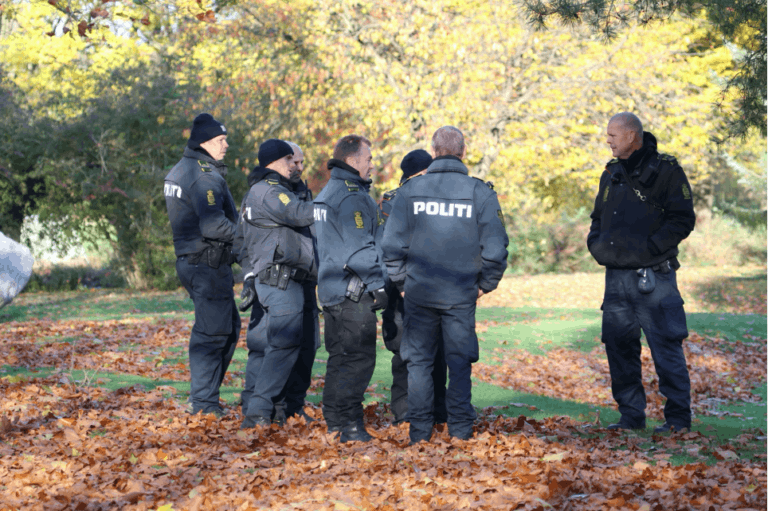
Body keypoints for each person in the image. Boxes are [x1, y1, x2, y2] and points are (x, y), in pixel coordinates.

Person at [381, 126, 509, 444]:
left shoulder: (410, 191)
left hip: (419, 291)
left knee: (420, 364)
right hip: (461, 292)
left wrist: (401, 283)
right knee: (460, 361)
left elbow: (391, 244)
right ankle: (461, 430)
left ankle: (420, 432)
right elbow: (496, 247)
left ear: (434, 151)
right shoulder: (480, 192)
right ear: (463, 152)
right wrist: (485, 285)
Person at [587, 112, 696, 433]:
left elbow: (682, 219)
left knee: (666, 348)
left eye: (613, 135)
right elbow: (597, 218)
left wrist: (649, 250)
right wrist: (597, 246)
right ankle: (631, 416)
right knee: (618, 349)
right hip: (617, 281)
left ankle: (678, 420)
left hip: (655, 280)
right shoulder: (611, 173)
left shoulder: (667, 171)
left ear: (633, 136)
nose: (607, 140)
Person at [313, 135, 389, 443]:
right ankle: (351, 425)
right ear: (352, 161)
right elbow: (359, 249)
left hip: (332, 289)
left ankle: (335, 422)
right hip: (352, 292)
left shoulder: (328, 191)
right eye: (368, 158)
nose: (372, 163)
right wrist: (379, 286)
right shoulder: (351, 196)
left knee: (340, 358)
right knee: (357, 360)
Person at [164, 112, 239, 417]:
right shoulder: (202, 175)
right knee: (213, 334)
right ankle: (204, 405)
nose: (226, 145)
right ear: (205, 142)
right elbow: (214, 226)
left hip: (192, 262)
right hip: (206, 265)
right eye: (221, 140)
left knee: (227, 329)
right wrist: (249, 238)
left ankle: (205, 399)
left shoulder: (180, 170)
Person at [238, 139, 317, 429]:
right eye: (292, 161)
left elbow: (241, 239)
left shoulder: (280, 191)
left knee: (273, 345)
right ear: (275, 161)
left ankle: (276, 409)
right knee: (282, 344)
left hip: (290, 280)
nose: (297, 167)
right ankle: (258, 413)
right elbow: (297, 215)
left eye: (300, 162)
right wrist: (330, 203)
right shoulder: (268, 192)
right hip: (280, 280)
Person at [379, 149, 447, 426]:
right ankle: (406, 414)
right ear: (418, 174)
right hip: (402, 290)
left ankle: (437, 412)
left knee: (438, 352)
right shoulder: (391, 202)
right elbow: (388, 248)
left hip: (433, 287)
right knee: (406, 355)